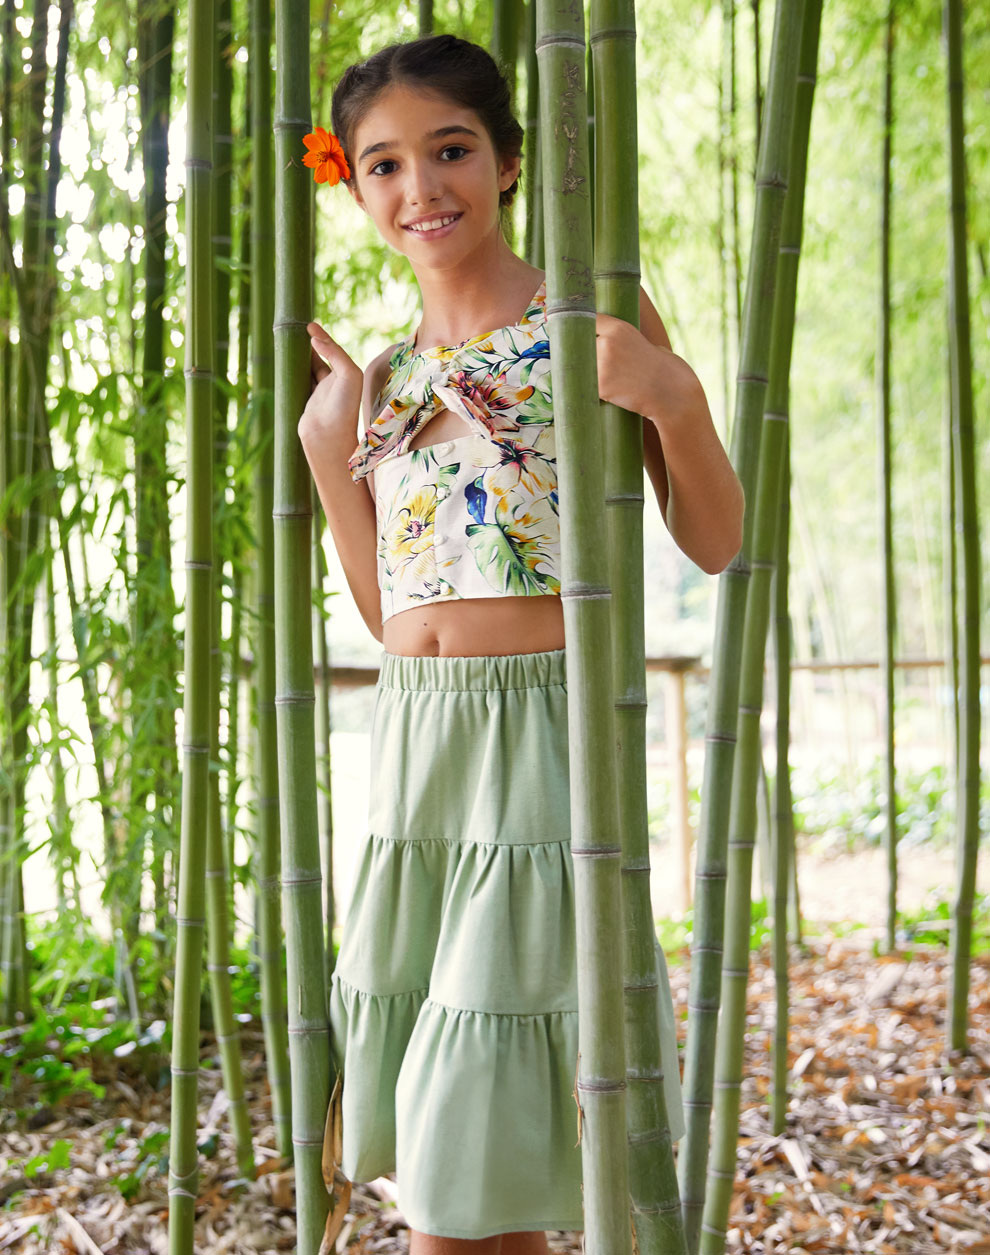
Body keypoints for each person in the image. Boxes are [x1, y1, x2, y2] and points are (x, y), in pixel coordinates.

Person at [299, 32, 743, 1255]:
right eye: (385, 164)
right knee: (464, 1170)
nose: (421, 188)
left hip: (543, 743)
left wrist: (673, 396)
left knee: (467, 1182)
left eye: (450, 151)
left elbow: (714, 539)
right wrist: (329, 449)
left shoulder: (587, 316)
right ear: (355, 185)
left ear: (506, 160)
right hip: (417, 749)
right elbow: (392, 615)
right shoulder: (383, 375)